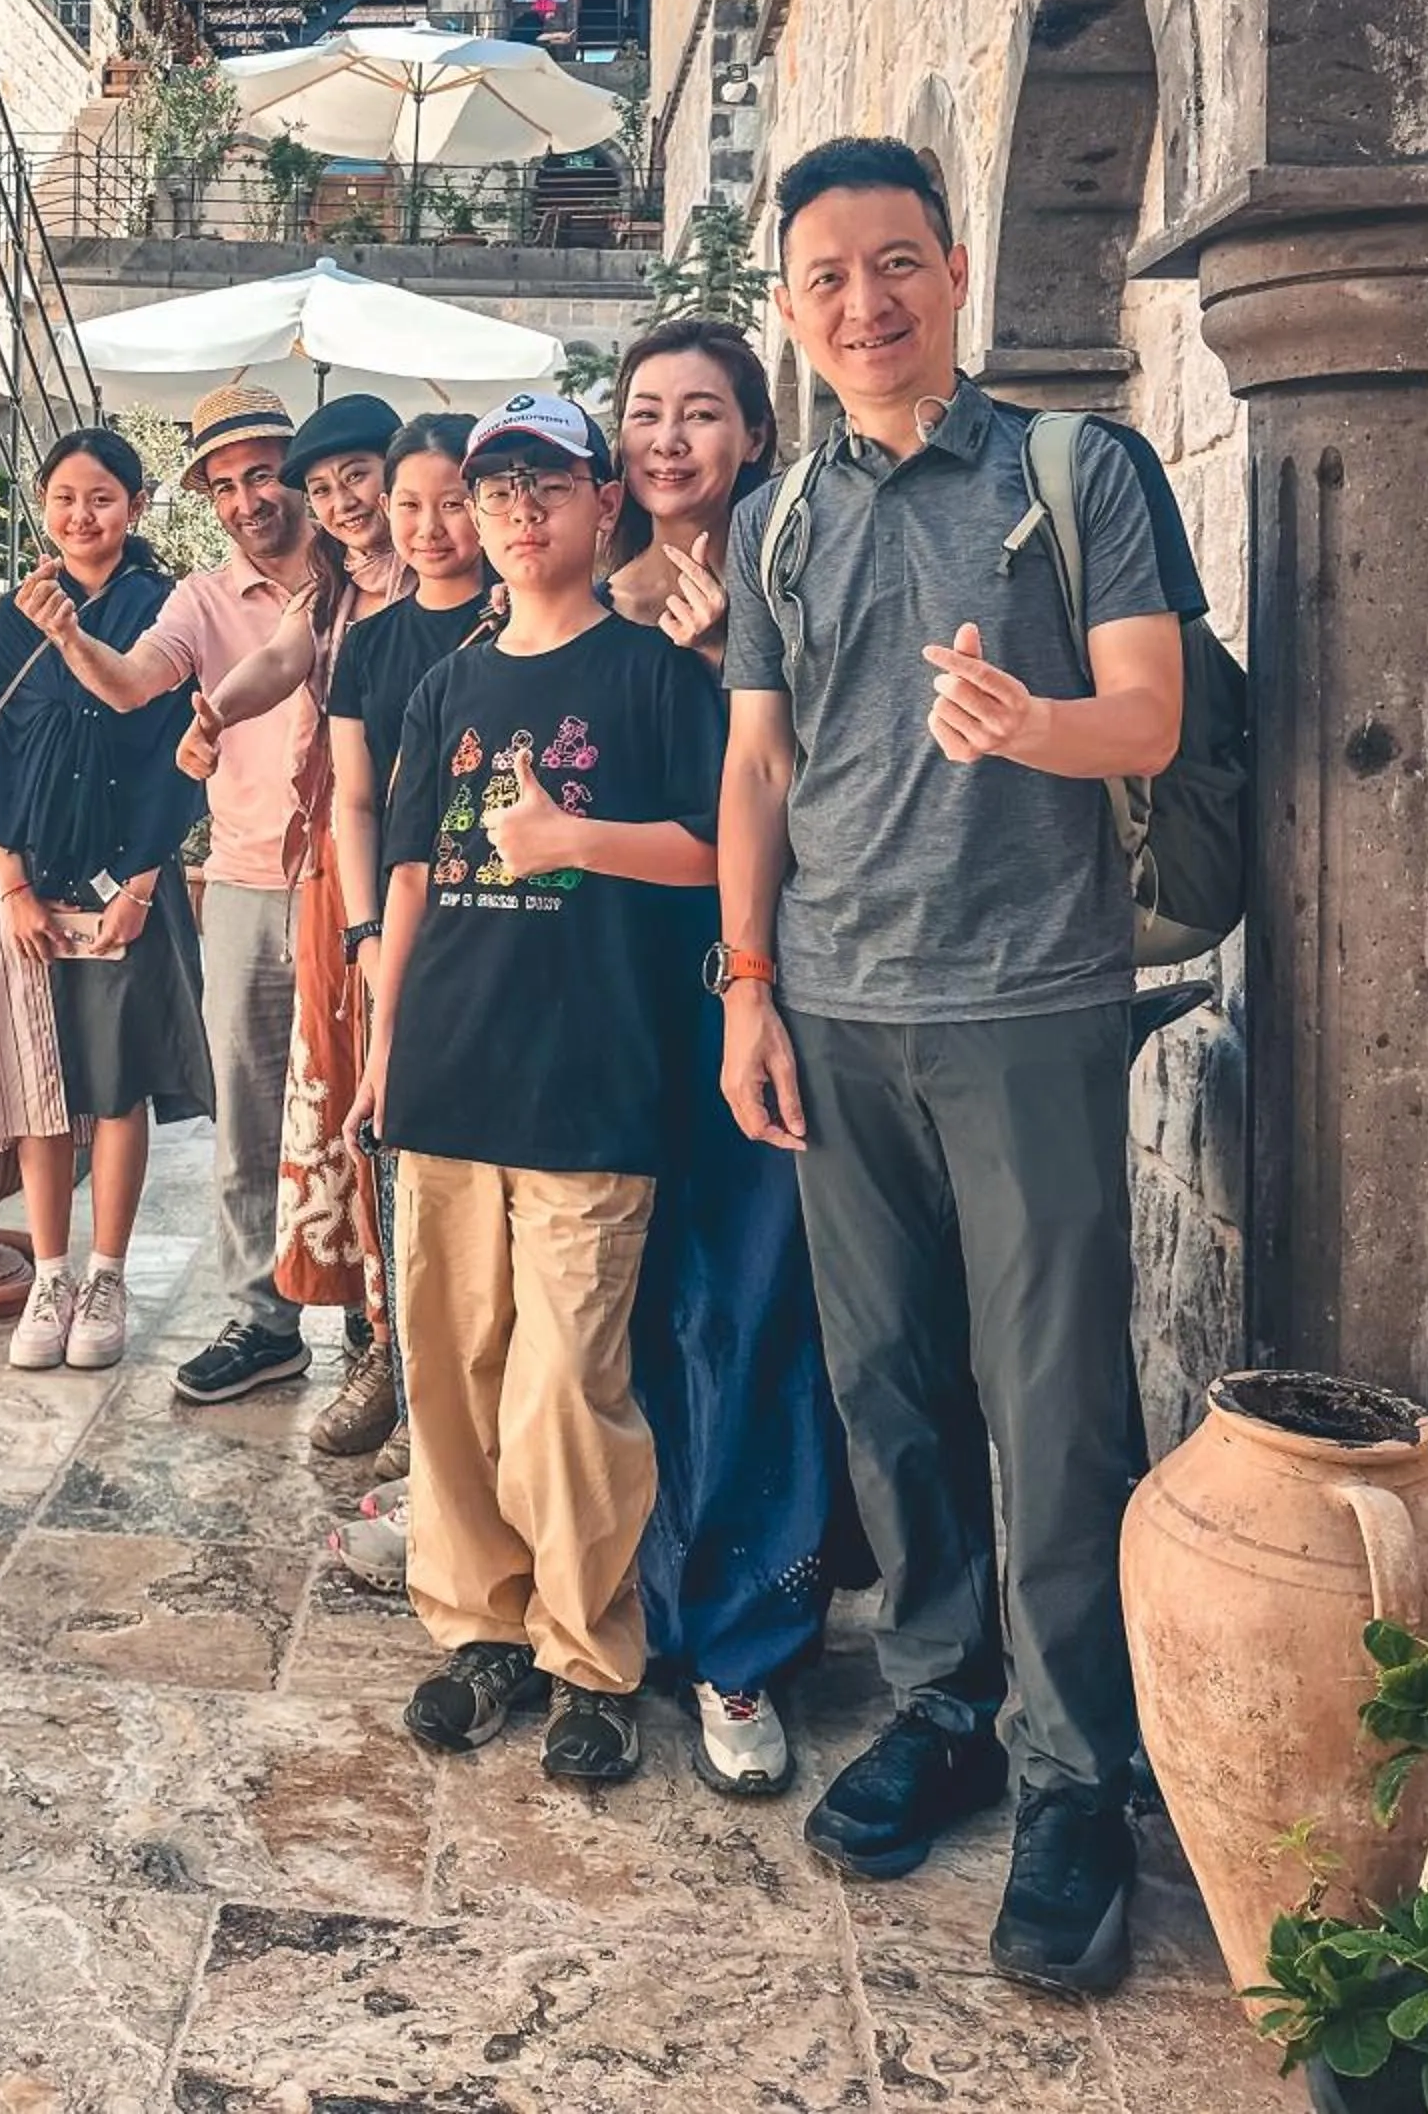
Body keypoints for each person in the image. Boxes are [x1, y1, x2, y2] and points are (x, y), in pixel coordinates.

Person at [718, 135, 1187, 1996]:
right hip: (833, 1009)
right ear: (792, 307)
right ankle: (942, 1703)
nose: (864, 304)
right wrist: (748, 986)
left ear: (957, 269)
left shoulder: (1076, 474)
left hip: (1029, 1006)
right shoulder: (781, 519)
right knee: (889, 1388)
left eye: (895, 264)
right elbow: (760, 768)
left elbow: (1147, 709)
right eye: (827, 278)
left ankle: (1079, 1773)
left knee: (1057, 1403)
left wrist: (1034, 721)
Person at [347, 390, 723, 1785]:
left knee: (570, 1384)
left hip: (592, 1083)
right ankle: (475, 1631)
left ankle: (586, 1656)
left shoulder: (652, 678)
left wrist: (575, 836)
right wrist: (383, 1050)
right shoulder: (447, 681)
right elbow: (404, 874)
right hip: (447, 1068)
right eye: (493, 488)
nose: (513, 510)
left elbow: (716, 849)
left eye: (543, 486)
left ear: (598, 506)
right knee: (449, 1371)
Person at [602, 320, 841, 1799]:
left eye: (702, 412)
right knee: (609, 1300)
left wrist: (731, 656)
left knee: (750, 1304)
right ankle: (610, 1590)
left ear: (754, 431)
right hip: (605, 995)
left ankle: (743, 1641)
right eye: (644, 413)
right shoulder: (571, 582)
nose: (670, 439)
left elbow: (848, 786)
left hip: (753, 982)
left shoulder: (793, 574)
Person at [13, 383, 318, 1404]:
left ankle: (375, 1319)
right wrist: (65, 637)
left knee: (367, 1105)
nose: (245, 499)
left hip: (353, 883)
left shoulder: (366, 579)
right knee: (248, 1116)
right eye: (224, 485)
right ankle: (262, 1319)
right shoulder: (197, 601)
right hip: (239, 878)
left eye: (263, 473)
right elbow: (135, 684)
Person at [0, 429, 211, 1373]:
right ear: (40, 506)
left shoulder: (163, 607)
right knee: (42, 1085)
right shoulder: (17, 611)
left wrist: (141, 884)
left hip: (129, 874)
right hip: (35, 875)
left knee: (115, 1081)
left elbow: (180, 751)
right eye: (63, 498)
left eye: (102, 498)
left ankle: (108, 1273)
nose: (82, 516)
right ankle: (49, 1274)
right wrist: (9, 883)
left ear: (133, 508)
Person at [175, 393, 408, 1458]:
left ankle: (393, 1330)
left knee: (385, 1111)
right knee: (284, 1110)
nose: (260, 498)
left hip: (408, 883)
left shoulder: (457, 581)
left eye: (321, 478)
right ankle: (291, 1322)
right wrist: (207, 711)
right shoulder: (330, 597)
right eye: (320, 485)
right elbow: (260, 669)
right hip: (306, 879)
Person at [319, 412, 495, 1585]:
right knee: (394, 1152)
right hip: (399, 929)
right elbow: (353, 803)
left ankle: (471, 1438)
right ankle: (394, 1351)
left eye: (451, 502)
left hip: (512, 926)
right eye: (411, 507)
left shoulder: (523, 616)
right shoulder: (371, 644)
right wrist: (367, 934)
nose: (429, 528)